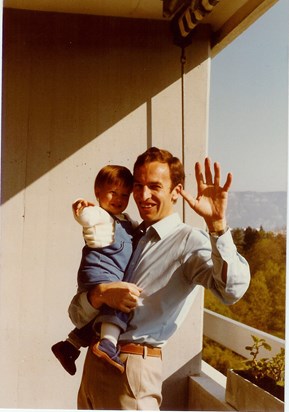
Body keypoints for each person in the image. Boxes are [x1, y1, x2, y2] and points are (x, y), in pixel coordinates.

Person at [68, 147, 251, 410]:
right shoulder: (126, 235)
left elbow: (231, 291)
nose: (143, 195)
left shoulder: (188, 241)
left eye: (154, 186)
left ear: (176, 191)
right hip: (94, 363)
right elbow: (77, 314)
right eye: (139, 185)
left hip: (132, 369)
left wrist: (217, 226)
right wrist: (100, 295)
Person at [52, 165, 139, 375]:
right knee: (117, 300)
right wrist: (82, 210)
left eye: (124, 195)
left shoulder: (126, 220)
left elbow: (138, 231)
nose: (118, 199)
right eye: (113, 193)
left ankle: (69, 346)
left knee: (96, 317)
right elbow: (87, 218)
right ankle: (108, 344)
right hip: (99, 271)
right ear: (98, 192)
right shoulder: (99, 214)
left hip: (106, 273)